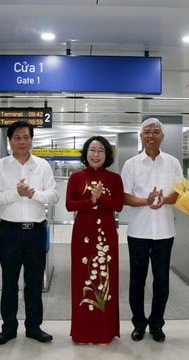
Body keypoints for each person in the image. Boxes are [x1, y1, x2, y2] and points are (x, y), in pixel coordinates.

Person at [0, 120, 59, 345]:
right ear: (9, 141)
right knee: (9, 282)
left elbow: (54, 196)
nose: (22, 142)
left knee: (34, 282)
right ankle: (8, 328)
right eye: (17, 137)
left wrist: (32, 194)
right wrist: (16, 193)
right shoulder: (0, 166)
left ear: (31, 140)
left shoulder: (43, 166)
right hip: (9, 232)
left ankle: (33, 327)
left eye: (26, 137)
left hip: (35, 232)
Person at [121, 118, 183, 343]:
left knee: (162, 281)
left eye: (156, 132)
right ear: (141, 136)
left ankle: (157, 324)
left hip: (165, 231)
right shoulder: (131, 164)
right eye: (147, 132)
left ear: (162, 137)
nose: (151, 135)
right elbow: (125, 197)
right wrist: (146, 201)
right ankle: (139, 323)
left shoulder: (173, 163)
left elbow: (179, 193)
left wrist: (163, 199)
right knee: (137, 281)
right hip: (138, 231)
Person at [65, 136, 124, 344]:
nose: (96, 154)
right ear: (86, 153)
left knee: (106, 279)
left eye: (100, 150)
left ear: (106, 155)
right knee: (83, 278)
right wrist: (91, 200)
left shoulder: (114, 178)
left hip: (106, 235)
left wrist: (102, 198)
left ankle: (104, 332)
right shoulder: (76, 177)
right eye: (92, 150)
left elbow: (118, 205)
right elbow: (69, 205)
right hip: (83, 234)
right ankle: (84, 333)